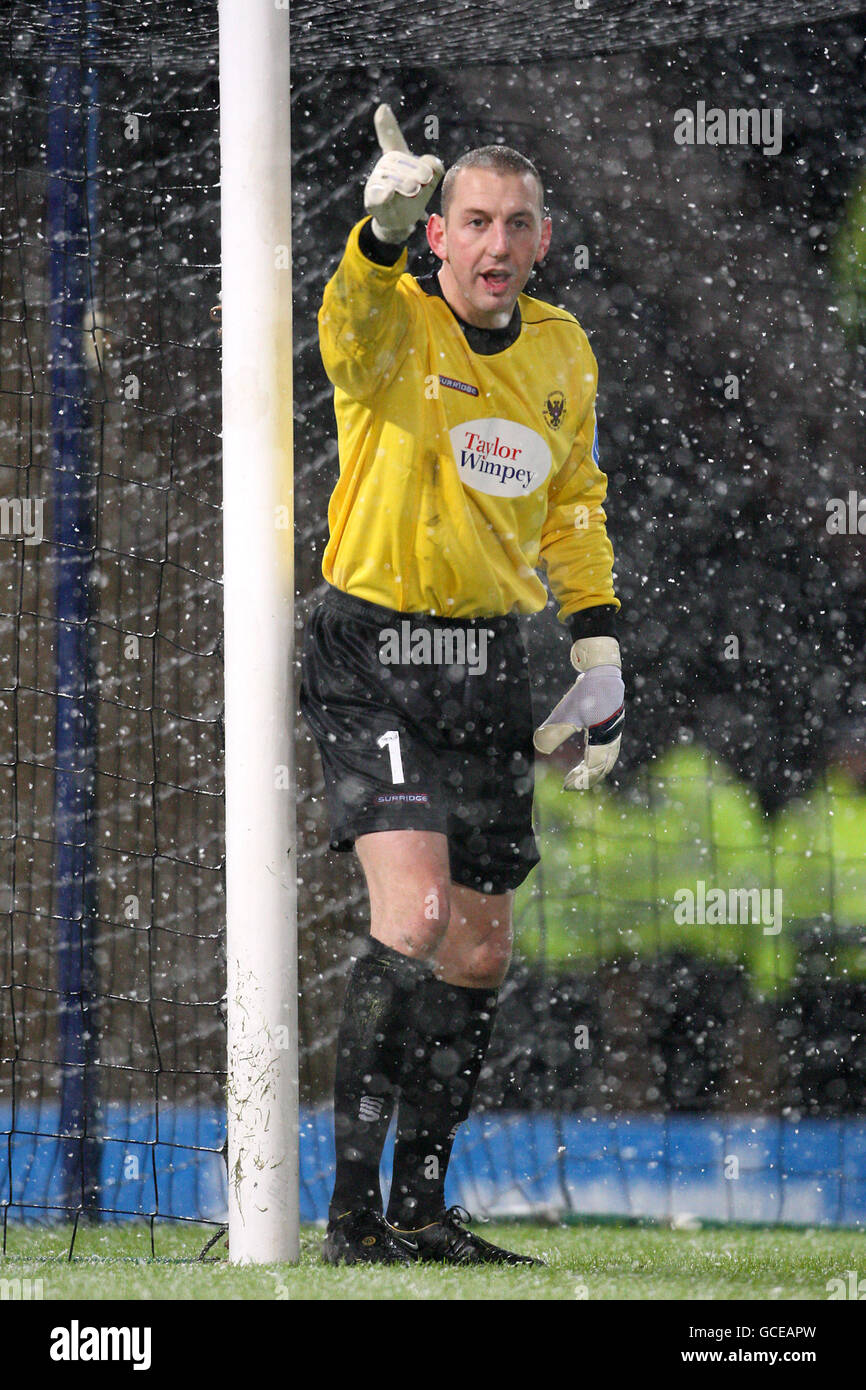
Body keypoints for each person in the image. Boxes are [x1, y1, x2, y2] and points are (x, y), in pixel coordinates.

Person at [300, 104, 624, 1266]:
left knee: (479, 951)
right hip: (372, 652)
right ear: (441, 236)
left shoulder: (561, 351)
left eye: (516, 224)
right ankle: (345, 1219)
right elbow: (342, 329)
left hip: (487, 659)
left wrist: (597, 648)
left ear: (541, 240)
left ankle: (424, 1211)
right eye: (472, 221)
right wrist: (373, 233)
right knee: (417, 916)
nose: (494, 243)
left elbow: (574, 504)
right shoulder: (393, 317)